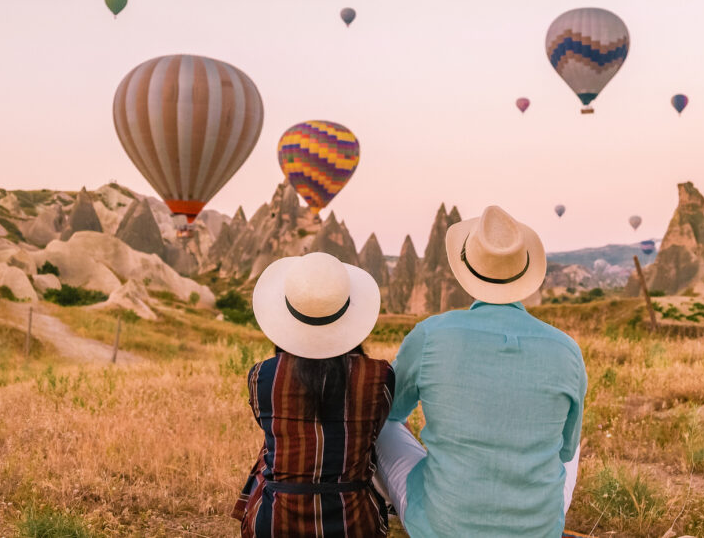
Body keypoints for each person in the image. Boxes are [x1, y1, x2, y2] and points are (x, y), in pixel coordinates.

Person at [376, 205, 588, 536]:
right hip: (538, 528)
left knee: (381, 426)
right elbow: (564, 449)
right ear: (525, 272)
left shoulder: (431, 335)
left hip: (443, 526)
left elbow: (388, 408)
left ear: (467, 268)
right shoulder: (567, 349)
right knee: (572, 448)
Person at [232, 252, 395, 538]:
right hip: (356, 524)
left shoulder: (261, 377)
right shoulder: (379, 376)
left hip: (275, 523)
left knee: (270, 450)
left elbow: (266, 425)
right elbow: (375, 430)